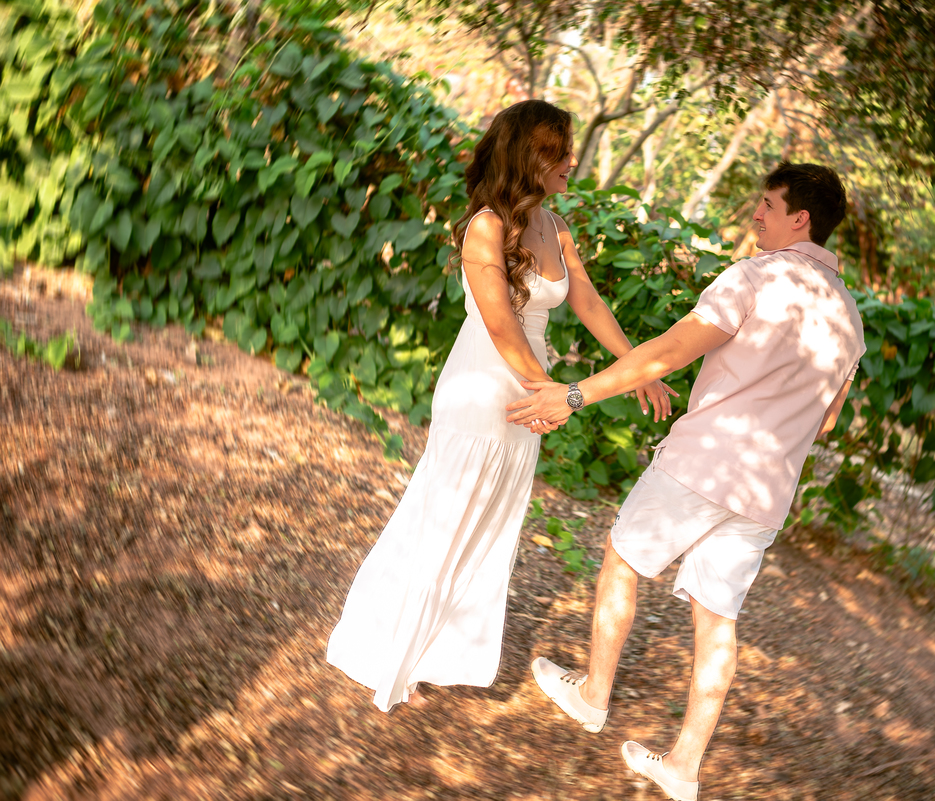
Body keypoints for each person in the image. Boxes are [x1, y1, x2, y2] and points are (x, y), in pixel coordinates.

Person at [507, 162, 865, 801]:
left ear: (800, 218)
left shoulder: (754, 277)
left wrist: (575, 394)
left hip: (703, 464)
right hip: (768, 492)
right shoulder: (850, 320)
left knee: (621, 560)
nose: (756, 215)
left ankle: (593, 696)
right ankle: (682, 767)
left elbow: (670, 352)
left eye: (768, 205)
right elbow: (828, 420)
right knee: (718, 618)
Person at [326, 99, 674, 712]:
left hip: (530, 391)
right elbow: (499, 325)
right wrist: (551, 393)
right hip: (484, 386)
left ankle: (431, 653)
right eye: (558, 151)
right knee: (445, 520)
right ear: (525, 156)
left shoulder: (555, 226)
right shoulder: (485, 226)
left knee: (488, 526)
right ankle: (386, 655)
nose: (571, 161)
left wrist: (635, 367)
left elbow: (588, 302)